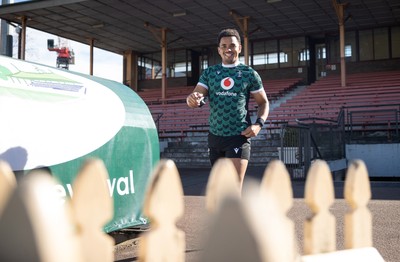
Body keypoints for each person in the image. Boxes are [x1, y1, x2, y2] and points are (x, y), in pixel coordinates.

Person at [186, 28, 269, 191]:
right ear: (219, 49)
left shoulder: (249, 74)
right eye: (223, 46)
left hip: (238, 136)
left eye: (232, 45)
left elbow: (263, 103)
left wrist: (259, 124)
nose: (228, 49)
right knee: (219, 189)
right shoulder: (209, 73)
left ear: (239, 48)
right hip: (215, 137)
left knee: (233, 190)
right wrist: (192, 99)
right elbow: (196, 96)